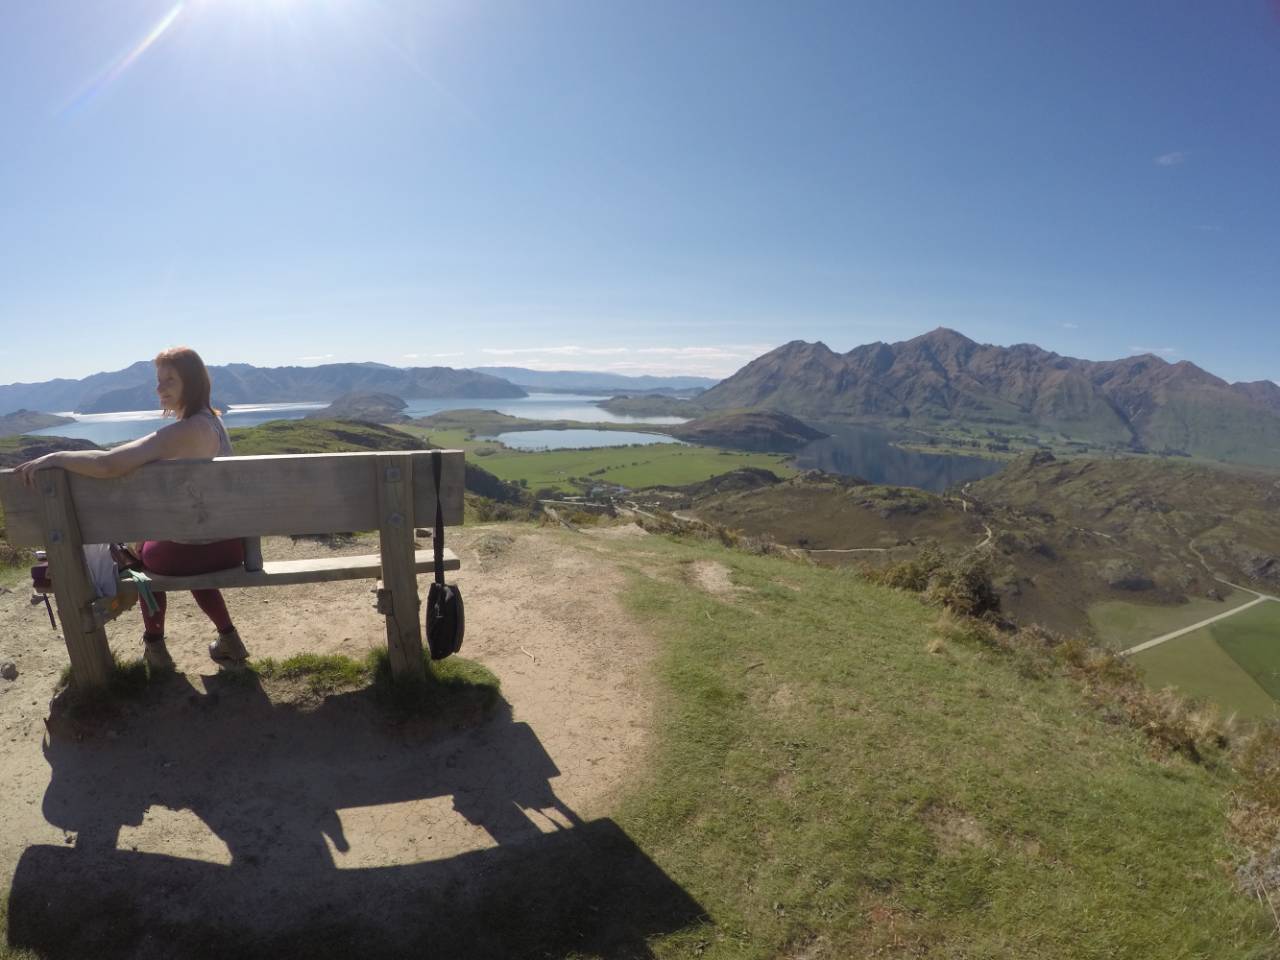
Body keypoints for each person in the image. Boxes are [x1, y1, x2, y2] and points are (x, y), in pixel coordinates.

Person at [16, 347, 248, 672]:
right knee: (184, 549)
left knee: (140, 564)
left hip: (196, 551)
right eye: (158, 380)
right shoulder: (213, 423)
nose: (159, 388)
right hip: (230, 547)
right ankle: (229, 639)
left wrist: (56, 458)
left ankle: (155, 648)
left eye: (169, 380)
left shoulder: (185, 431)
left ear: (192, 383)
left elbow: (111, 464)